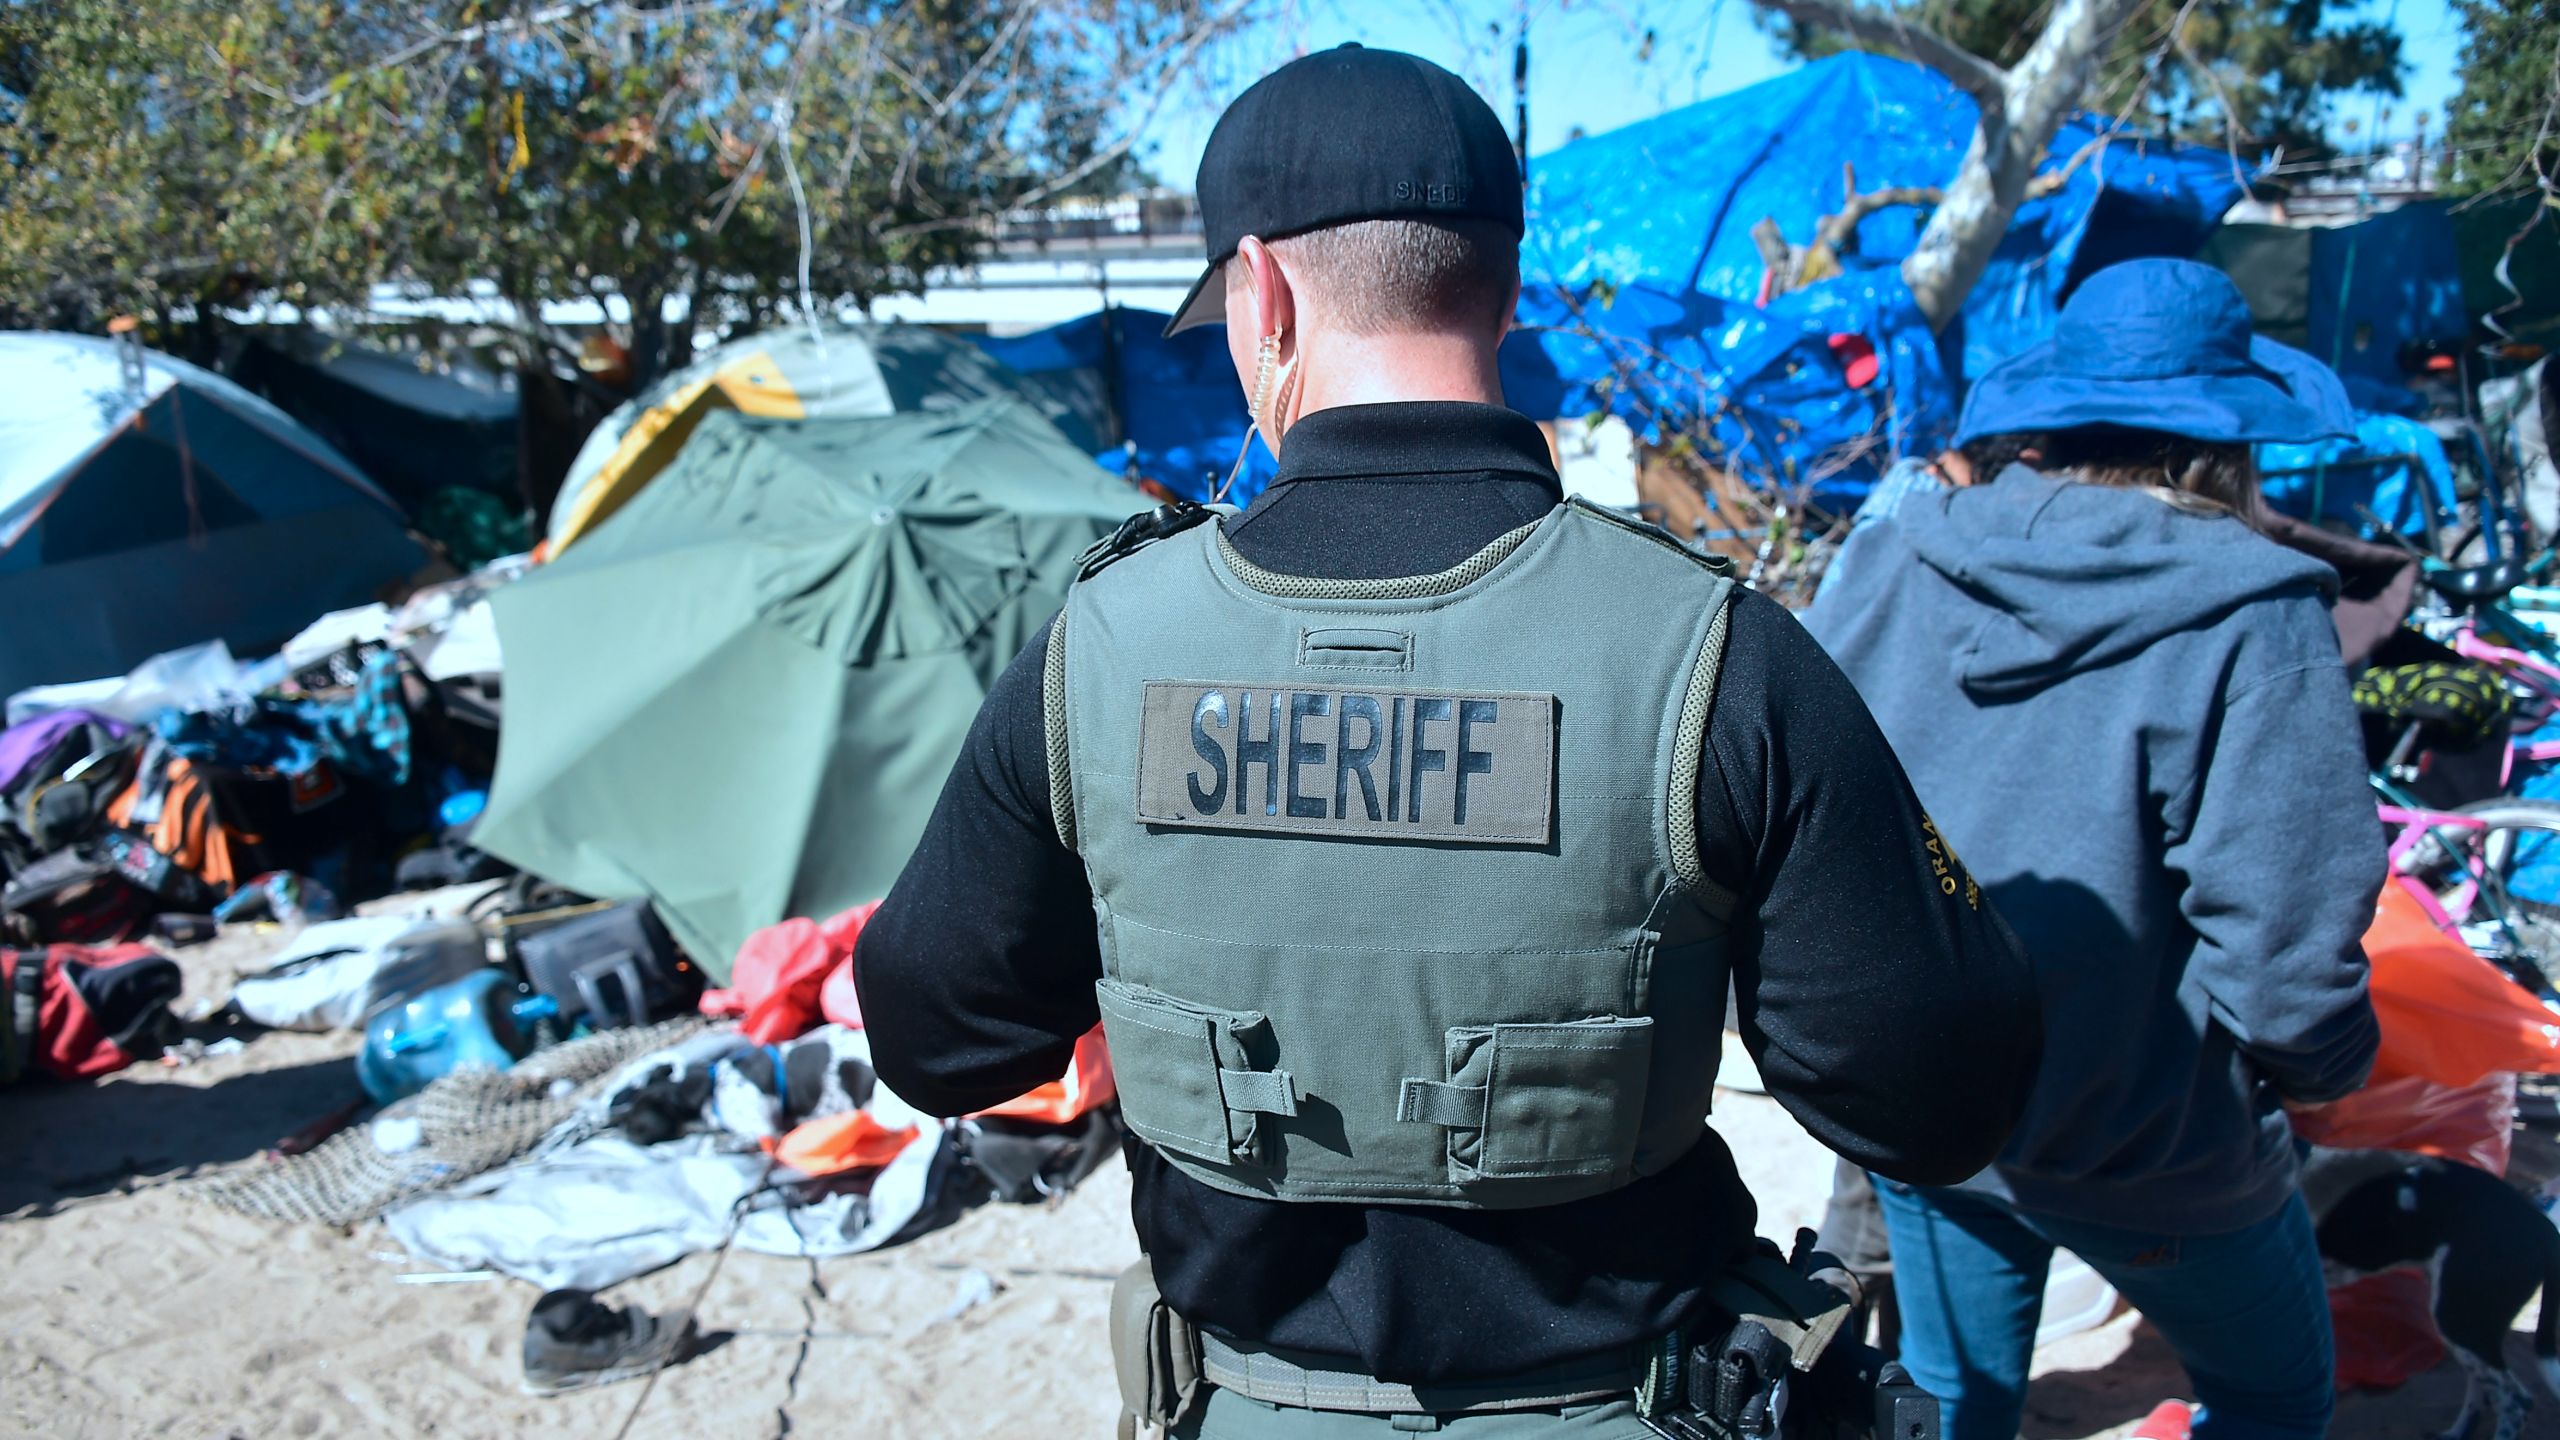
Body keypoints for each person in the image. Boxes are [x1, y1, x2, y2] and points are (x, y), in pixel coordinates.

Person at [856, 45, 2039, 1438]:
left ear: (1269, 297)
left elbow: (931, 1039)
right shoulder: (1714, 652)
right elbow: (1939, 1094)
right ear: (1506, 286)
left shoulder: (1096, 655)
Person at [1804, 258, 2383, 1440]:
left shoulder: (1895, 555)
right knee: (2275, 1397)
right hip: (2151, 1137)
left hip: (1936, 1103)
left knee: (1955, 1403)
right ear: (2229, 440)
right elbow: (2284, 950)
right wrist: (2322, 1075)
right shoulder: (2256, 612)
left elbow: (1799, 805)